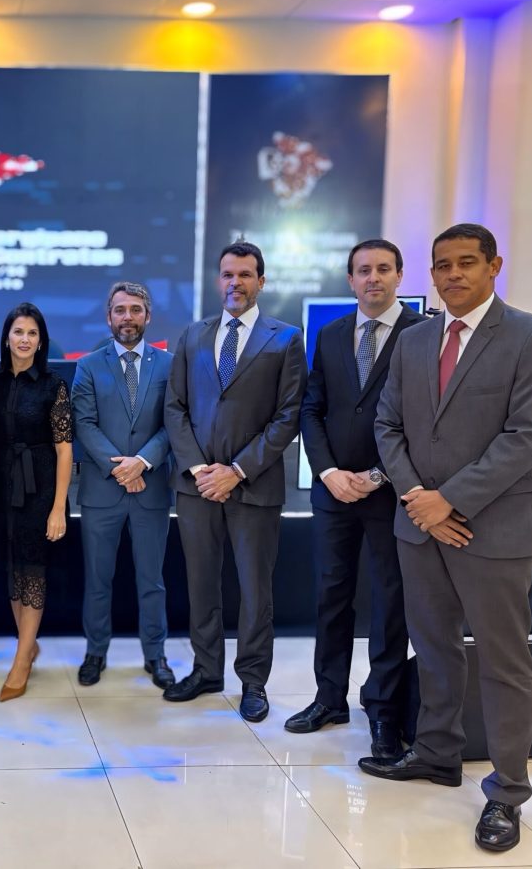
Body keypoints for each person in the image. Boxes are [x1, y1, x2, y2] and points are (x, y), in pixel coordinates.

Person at [363, 223, 532, 854]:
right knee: (434, 648)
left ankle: (507, 791)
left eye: (466, 263)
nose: (453, 275)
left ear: (493, 266)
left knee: (504, 662)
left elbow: (530, 435)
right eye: (442, 265)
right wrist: (419, 501)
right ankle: (436, 753)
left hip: (494, 529)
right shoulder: (415, 340)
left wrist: (448, 499)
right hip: (420, 527)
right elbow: (388, 424)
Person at [285, 240, 426, 757]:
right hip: (334, 492)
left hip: (393, 493)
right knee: (331, 595)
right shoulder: (331, 334)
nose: (373, 278)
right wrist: (327, 472)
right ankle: (329, 699)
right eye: (364, 270)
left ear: (399, 275)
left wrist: (379, 474)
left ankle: (383, 709)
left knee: (390, 601)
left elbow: (425, 419)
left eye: (384, 269)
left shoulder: (423, 333)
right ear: (350, 280)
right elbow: (312, 409)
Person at [163, 241, 306, 721]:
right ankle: (206, 670)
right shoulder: (193, 335)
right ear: (217, 280)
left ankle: (253, 681)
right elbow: (175, 407)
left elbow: (287, 416)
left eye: (245, 275)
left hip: (253, 486)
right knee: (201, 583)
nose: (235, 283)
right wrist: (199, 469)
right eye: (228, 274)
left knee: (254, 590)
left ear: (261, 282)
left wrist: (236, 470)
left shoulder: (286, 339)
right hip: (197, 486)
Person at [71, 282, 174, 689]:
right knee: (98, 580)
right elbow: (83, 423)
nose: (127, 317)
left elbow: (174, 422)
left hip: (151, 488)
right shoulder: (88, 365)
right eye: (119, 310)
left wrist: (142, 462)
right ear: (108, 317)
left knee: (152, 581)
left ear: (148, 316)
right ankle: (95, 652)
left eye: (135, 309)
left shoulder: (169, 364)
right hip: (102, 491)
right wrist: (121, 469)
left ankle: (156, 655)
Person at [0, 303, 73, 701]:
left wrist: (58, 507)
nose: (25, 339)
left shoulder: (53, 385)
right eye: (18, 331)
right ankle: (27, 645)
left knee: (32, 573)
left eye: (32, 333)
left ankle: (21, 661)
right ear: (6, 338)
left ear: (41, 341)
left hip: (40, 490)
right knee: (11, 570)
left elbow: (64, 450)